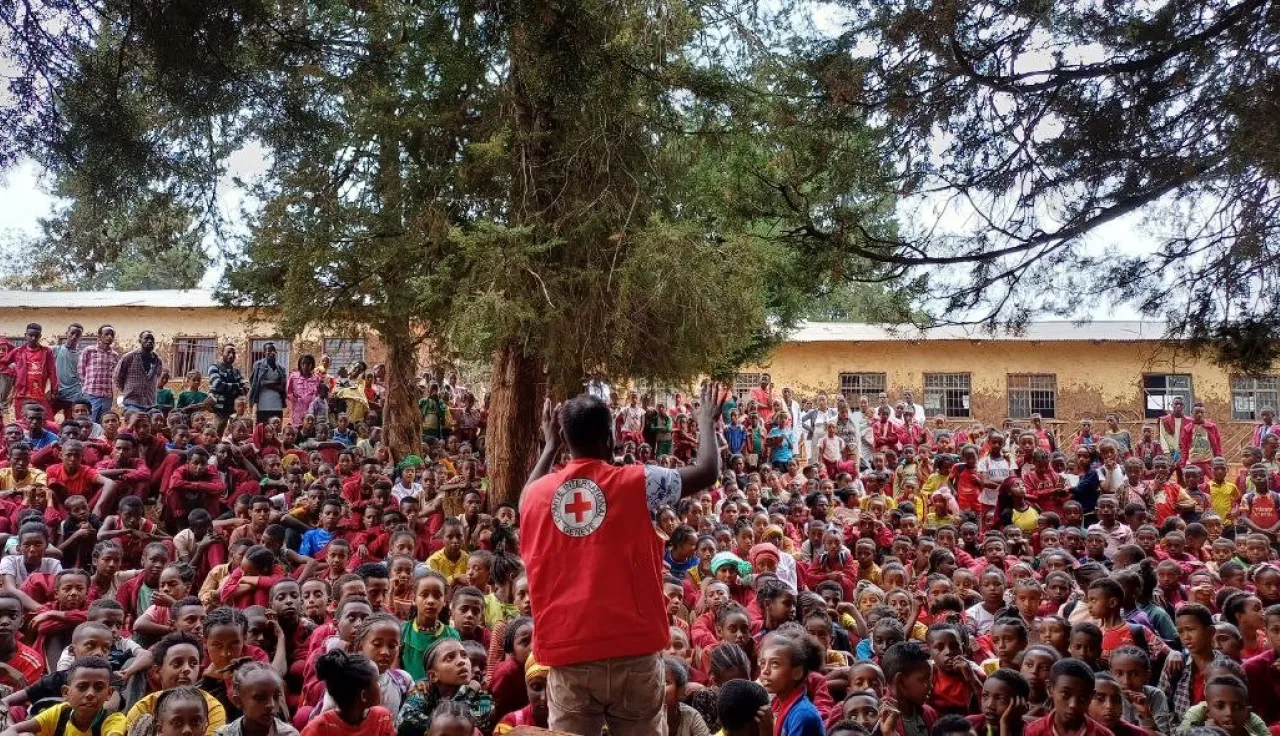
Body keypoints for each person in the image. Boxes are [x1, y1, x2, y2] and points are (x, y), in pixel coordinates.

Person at [518, 381, 724, 734]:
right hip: (634, 650)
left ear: (566, 440)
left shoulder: (536, 495)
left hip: (568, 653)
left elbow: (526, 494)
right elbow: (707, 471)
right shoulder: (638, 482)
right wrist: (706, 419)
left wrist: (550, 446)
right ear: (610, 437)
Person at [1, 324, 57, 418]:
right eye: (31, 335)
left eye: (36, 336)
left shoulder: (47, 352)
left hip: (40, 394)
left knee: (48, 420)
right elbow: (2, 363)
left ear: (40, 336)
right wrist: (13, 373)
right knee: (23, 422)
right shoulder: (17, 351)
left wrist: (54, 391)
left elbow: (53, 372)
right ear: (25, 335)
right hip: (21, 395)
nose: (33, 338)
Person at [114, 331, 164, 413]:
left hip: (150, 403)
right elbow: (117, 377)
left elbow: (157, 376)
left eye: (152, 339)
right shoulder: (129, 357)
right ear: (140, 341)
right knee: (135, 419)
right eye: (146, 338)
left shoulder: (158, 360)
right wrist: (128, 390)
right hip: (132, 402)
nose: (150, 341)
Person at [77, 326, 119, 424]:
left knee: (103, 422)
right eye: (106, 334)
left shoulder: (114, 355)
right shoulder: (89, 350)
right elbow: (81, 370)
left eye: (112, 335)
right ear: (99, 336)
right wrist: (87, 386)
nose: (109, 337)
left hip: (107, 397)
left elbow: (114, 376)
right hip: (91, 395)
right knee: (88, 422)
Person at [208, 346, 247, 432]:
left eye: (233, 353)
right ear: (222, 354)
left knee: (233, 435)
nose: (231, 355)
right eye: (228, 352)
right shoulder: (214, 367)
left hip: (234, 411)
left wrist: (227, 387)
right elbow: (218, 385)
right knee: (216, 435)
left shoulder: (236, 371)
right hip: (219, 411)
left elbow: (245, 389)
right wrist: (237, 386)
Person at [248, 344, 288, 426]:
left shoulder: (281, 368)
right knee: (262, 430)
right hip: (263, 405)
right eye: (269, 351)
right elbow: (257, 383)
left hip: (277, 404)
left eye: (274, 351)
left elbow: (282, 387)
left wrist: (267, 383)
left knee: (276, 431)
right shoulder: (258, 365)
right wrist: (275, 383)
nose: (272, 353)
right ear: (264, 353)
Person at [51, 324, 85, 420]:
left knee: (70, 423)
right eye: (72, 333)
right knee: (46, 419)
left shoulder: (81, 355)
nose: (74, 336)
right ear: (67, 333)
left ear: (80, 337)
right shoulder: (55, 350)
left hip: (74, 395)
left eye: (77, 335)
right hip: (56, 393)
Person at [287, 356, 322, 428]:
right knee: (297, 432)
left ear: (312, 365)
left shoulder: (317, 378)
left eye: (308, 363)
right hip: (297, 411)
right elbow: (288, 392)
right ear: (300, 364)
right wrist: (294, 399)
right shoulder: (293, 376)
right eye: (303, 363)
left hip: (312, 411)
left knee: (311, 431)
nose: (305, 366)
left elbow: (320, 393)